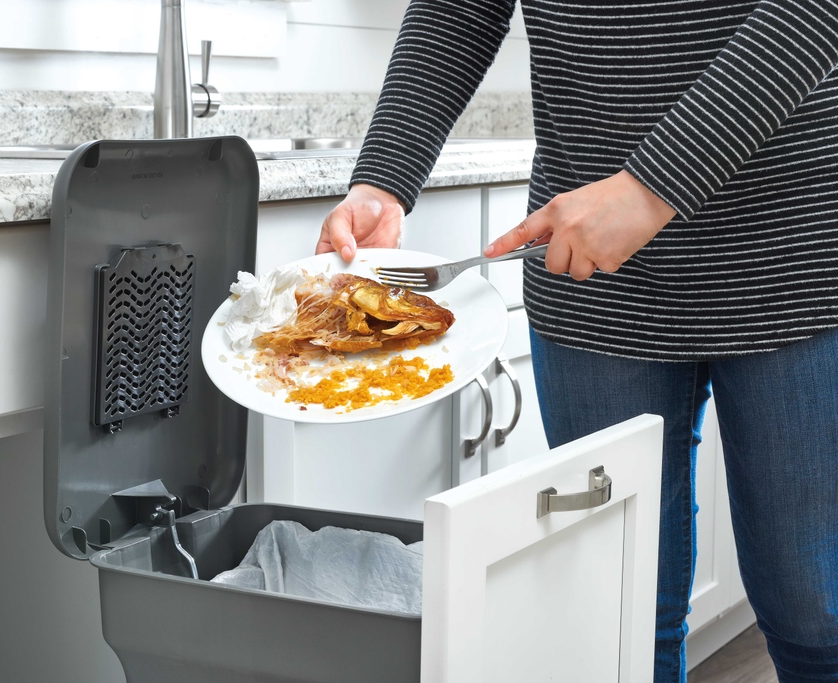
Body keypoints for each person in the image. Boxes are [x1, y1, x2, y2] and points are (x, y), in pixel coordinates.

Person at [317, 2, 838, 682]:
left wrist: (654, 188)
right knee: (616, 625)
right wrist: (384, 177)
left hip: (790, 262)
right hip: (586, 272)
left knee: (815, 616)